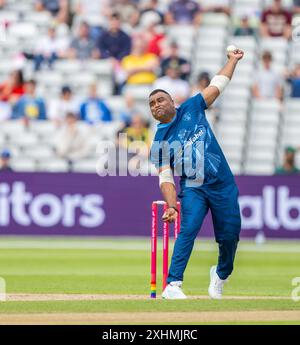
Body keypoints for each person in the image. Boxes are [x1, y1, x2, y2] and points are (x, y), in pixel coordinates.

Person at [149, 47, 244, 299]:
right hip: (194, 187)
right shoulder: (160, 142)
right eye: (151, 104)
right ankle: (173, 284)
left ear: (172, 102)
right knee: (188, 229)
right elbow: (165, 178)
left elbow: (217, 85)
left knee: (230, 235)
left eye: (160, 100)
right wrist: (171, 205)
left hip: (223, 183)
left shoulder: (191, 107)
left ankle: (221, 274)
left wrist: (232, 60)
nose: (156, 105)